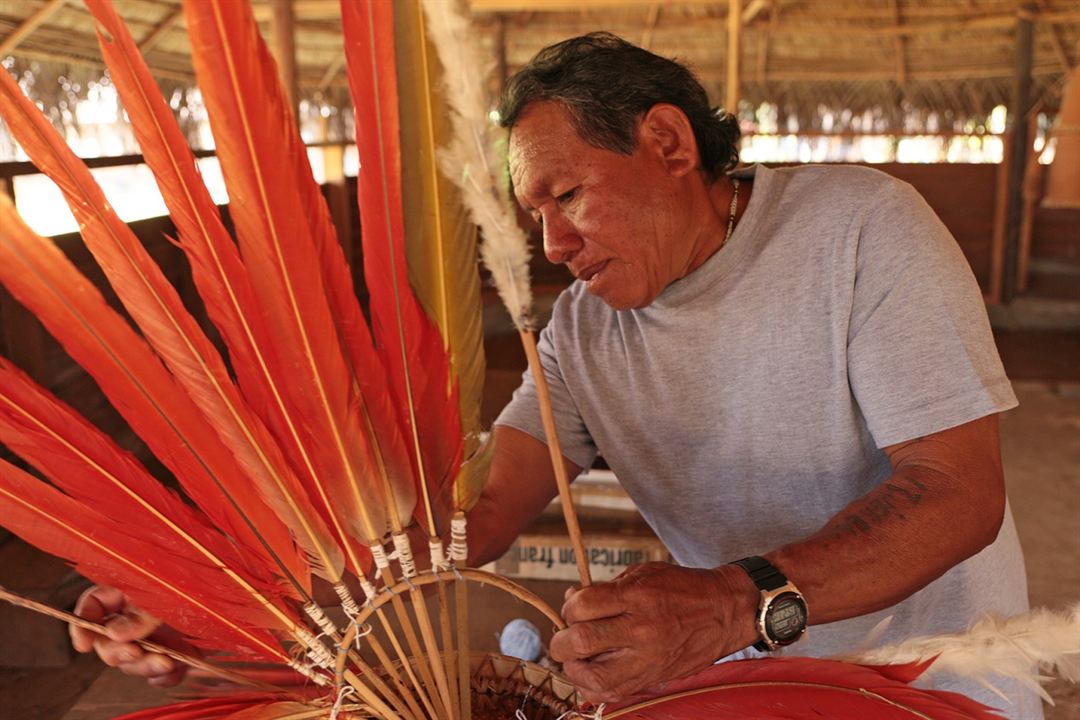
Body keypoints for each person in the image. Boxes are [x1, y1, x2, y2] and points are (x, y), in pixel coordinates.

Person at [74, 32, 1040, 718]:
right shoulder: (583, 332)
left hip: (938, 682)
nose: (552, 243)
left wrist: (726, 603)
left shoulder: (861, 229)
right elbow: (475, 515)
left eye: (566, 194)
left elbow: (957, 495)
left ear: (667, 143)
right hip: (736, 688)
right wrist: (222, 607)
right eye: (532, 214)